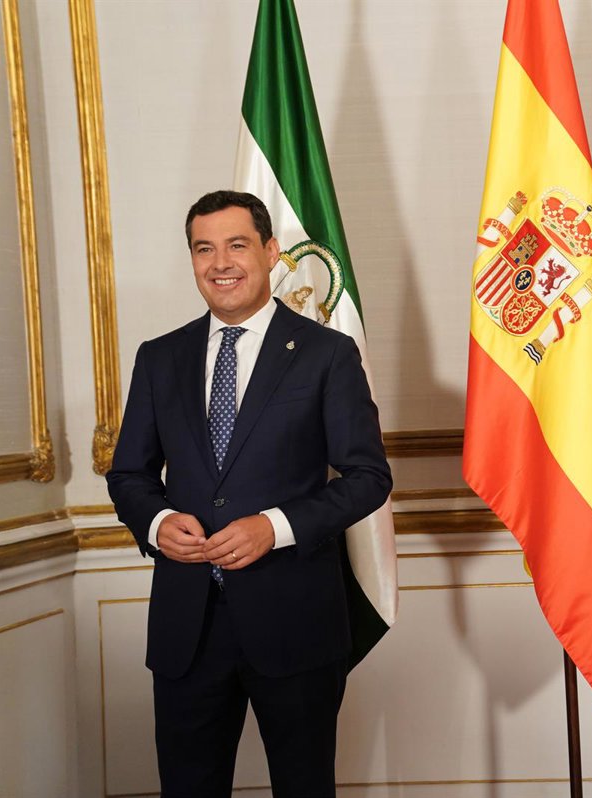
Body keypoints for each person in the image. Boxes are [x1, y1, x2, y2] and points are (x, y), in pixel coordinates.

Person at [107, 190, 392, 797]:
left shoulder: (326, 353)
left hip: (296, 621)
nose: (220, 263)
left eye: (236, 245)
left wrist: (275, 526)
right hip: (187, 626)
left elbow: (369, 477)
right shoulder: (159, 358)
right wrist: (157, 523)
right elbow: (128, 474)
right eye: (203, 249)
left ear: (269, 252)